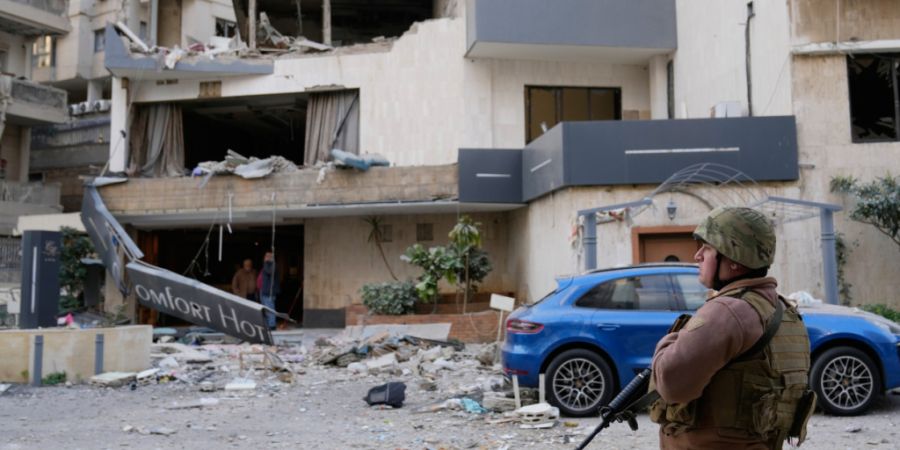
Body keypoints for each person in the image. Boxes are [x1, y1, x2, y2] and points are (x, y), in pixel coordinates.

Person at [649, 206, 815, 449]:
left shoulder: (728, 311)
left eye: (707, 249)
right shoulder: (780, 308)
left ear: (734, 260)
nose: (698, 256)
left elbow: (672, 384)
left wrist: (671, 340)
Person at [259, 251, 280, 330]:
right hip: (264, 291)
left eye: (268, 256)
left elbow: (269, 272)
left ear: (272, 257)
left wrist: (267, 262)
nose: (266, 257)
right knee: (266, 309)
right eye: (265, 256)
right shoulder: (268, 265)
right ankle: (268, 324)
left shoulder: (272, 265)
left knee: (269, 309)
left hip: (269, 292)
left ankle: (272, 325)